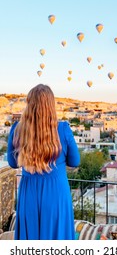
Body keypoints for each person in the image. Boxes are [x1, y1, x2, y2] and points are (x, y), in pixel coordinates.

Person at [7, 84, 80, 240]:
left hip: (29, 191)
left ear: (29, 104)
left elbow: (13, 163)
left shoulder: (17, 129)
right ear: (51, 105)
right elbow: (75, 161)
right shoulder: (63, 128)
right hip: (56, 193)